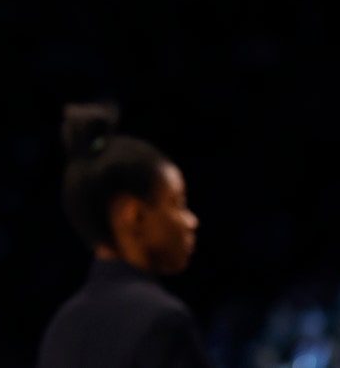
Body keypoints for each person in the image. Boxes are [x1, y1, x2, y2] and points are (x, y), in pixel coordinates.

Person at [36, 102, 214, 368]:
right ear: (134, 216)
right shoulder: (162, 321)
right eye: (177, 204)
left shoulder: (61, 326)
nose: (191, 222)